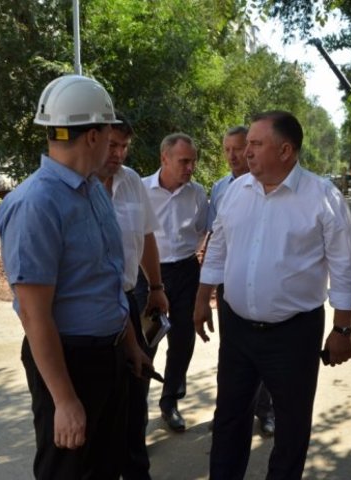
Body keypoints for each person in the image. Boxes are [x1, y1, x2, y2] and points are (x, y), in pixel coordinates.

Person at [0, 74, 151, 479]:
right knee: (67, 472)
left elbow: (108, 278)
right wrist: (64, 400)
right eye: (109, 134)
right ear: (94, 136)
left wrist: (129, 344)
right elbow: (34, 315)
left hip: (110, 355)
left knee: (108, 467)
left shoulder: (93, 189)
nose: (114, 145)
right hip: (69, 363)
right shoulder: (36, 205)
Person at [193, 110, 351, 480]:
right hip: (237, 329)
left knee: (291, 426)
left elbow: (343, 268)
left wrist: (342, 329)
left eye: (256, 144)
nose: (246, 152)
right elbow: (218, 248)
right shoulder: (236, 192)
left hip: (294, 334)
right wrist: (203, 299)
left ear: (286, 151)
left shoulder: (323, 198)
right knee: (229, 418)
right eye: (247, 144)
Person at [94, 113, 169, 479]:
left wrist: (156, 287)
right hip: (92, 309)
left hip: (128, 298)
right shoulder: (80, 185)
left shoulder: (133, 182)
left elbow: (147, 235)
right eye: (113, 145)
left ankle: (137, 470)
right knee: (101, 400)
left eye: (124, 146)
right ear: (94, 141)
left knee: (136, 390)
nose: (118, 153)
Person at [206, 125, 275, 437]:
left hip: (262, 284)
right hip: (230, 284)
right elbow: (215, 238)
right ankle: (229, 409)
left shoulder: (271, 186)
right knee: (232, 352)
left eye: (238, 148)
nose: (233, 155)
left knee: (264, 352)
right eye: (227, 149)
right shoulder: (221, 188)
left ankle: (266, 411)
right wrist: (206, 289)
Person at [139, 133, 208, 432]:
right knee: (145, 341)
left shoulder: (197, 193)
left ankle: (170, 402)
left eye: (193, 161)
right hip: (147, 274)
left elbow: (203, 231)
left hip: (186, 272)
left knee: (182, 341)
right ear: (164, 158)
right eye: (183, 161)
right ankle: (137, 411)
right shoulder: (141, 190)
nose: (190, 167)